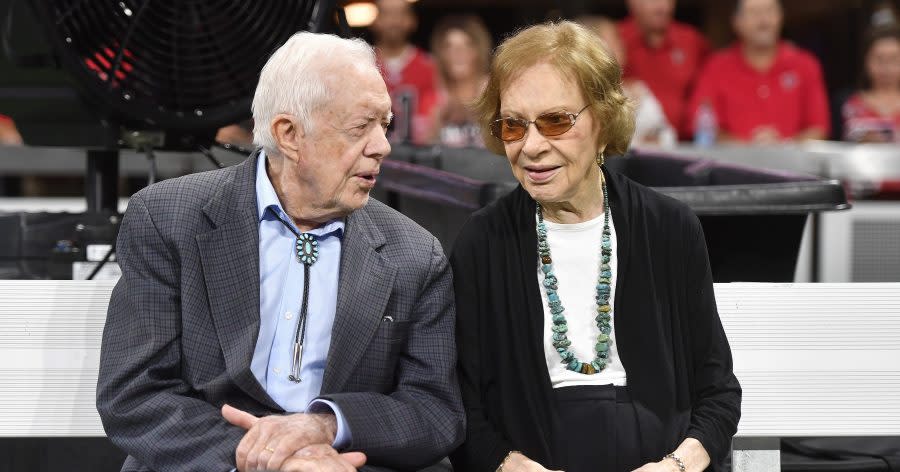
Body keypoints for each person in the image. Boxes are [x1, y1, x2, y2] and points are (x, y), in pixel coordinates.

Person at [96, 31, 464, 472]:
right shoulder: (169, 219)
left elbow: (434, 411)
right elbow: (135, 394)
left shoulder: (415, 254)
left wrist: (328, 426)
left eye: (384, 125)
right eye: (360, 127)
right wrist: (273, 461)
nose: (382, 146)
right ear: (289, 135)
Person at [450, 21, 741, 472]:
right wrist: (509, 465)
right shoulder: (482, 242)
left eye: (556, 121)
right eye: (513, 126)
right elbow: (462, 405)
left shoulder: (670, 228)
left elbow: (718, 392)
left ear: (603, 122)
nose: (532, 147)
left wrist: (678, 465)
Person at [688, 0, 830, 143]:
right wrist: (750, 150)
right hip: (733, 163)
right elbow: (702, 129)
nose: (764, 21)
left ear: (781, 17)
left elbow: (818, 129)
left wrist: (783, 148)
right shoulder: (716, 67)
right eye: (754, 13)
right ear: (737, 22)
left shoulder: (805, 65)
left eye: (770, 11)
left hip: (791, 164)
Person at [619, 0, 710, 138]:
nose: (663, 7)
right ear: (632, 3)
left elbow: (708, 93)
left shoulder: (691, 40)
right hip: (632, 145)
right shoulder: (617, 39)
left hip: (686, 143)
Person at [582, 16, 677, 148]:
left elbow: (669, 136)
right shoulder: (582, 97)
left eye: (618, 39)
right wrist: (639, 142)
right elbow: (604, 145)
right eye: (610, 41)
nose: (620, 46)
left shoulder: (639, 90)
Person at [371, 0, 440, 145]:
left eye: (401, 14)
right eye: (387, 14)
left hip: (416, 156)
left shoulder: (430, 66)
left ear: (413, 21)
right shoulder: (363, 65)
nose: (394, 21)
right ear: (376, 20)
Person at [429, 15, 492, 148]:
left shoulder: (492, 90)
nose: (458, 53)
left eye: (467, 44)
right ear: (441, 54)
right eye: (449, 46)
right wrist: (439, 116)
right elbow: (425, 146)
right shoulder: (437, 94)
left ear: (478, 51)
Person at [842, 26, 900, 143]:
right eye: (879, 59)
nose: (886, 68)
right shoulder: (851, 105)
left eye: (894, 59)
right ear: (866, 61)